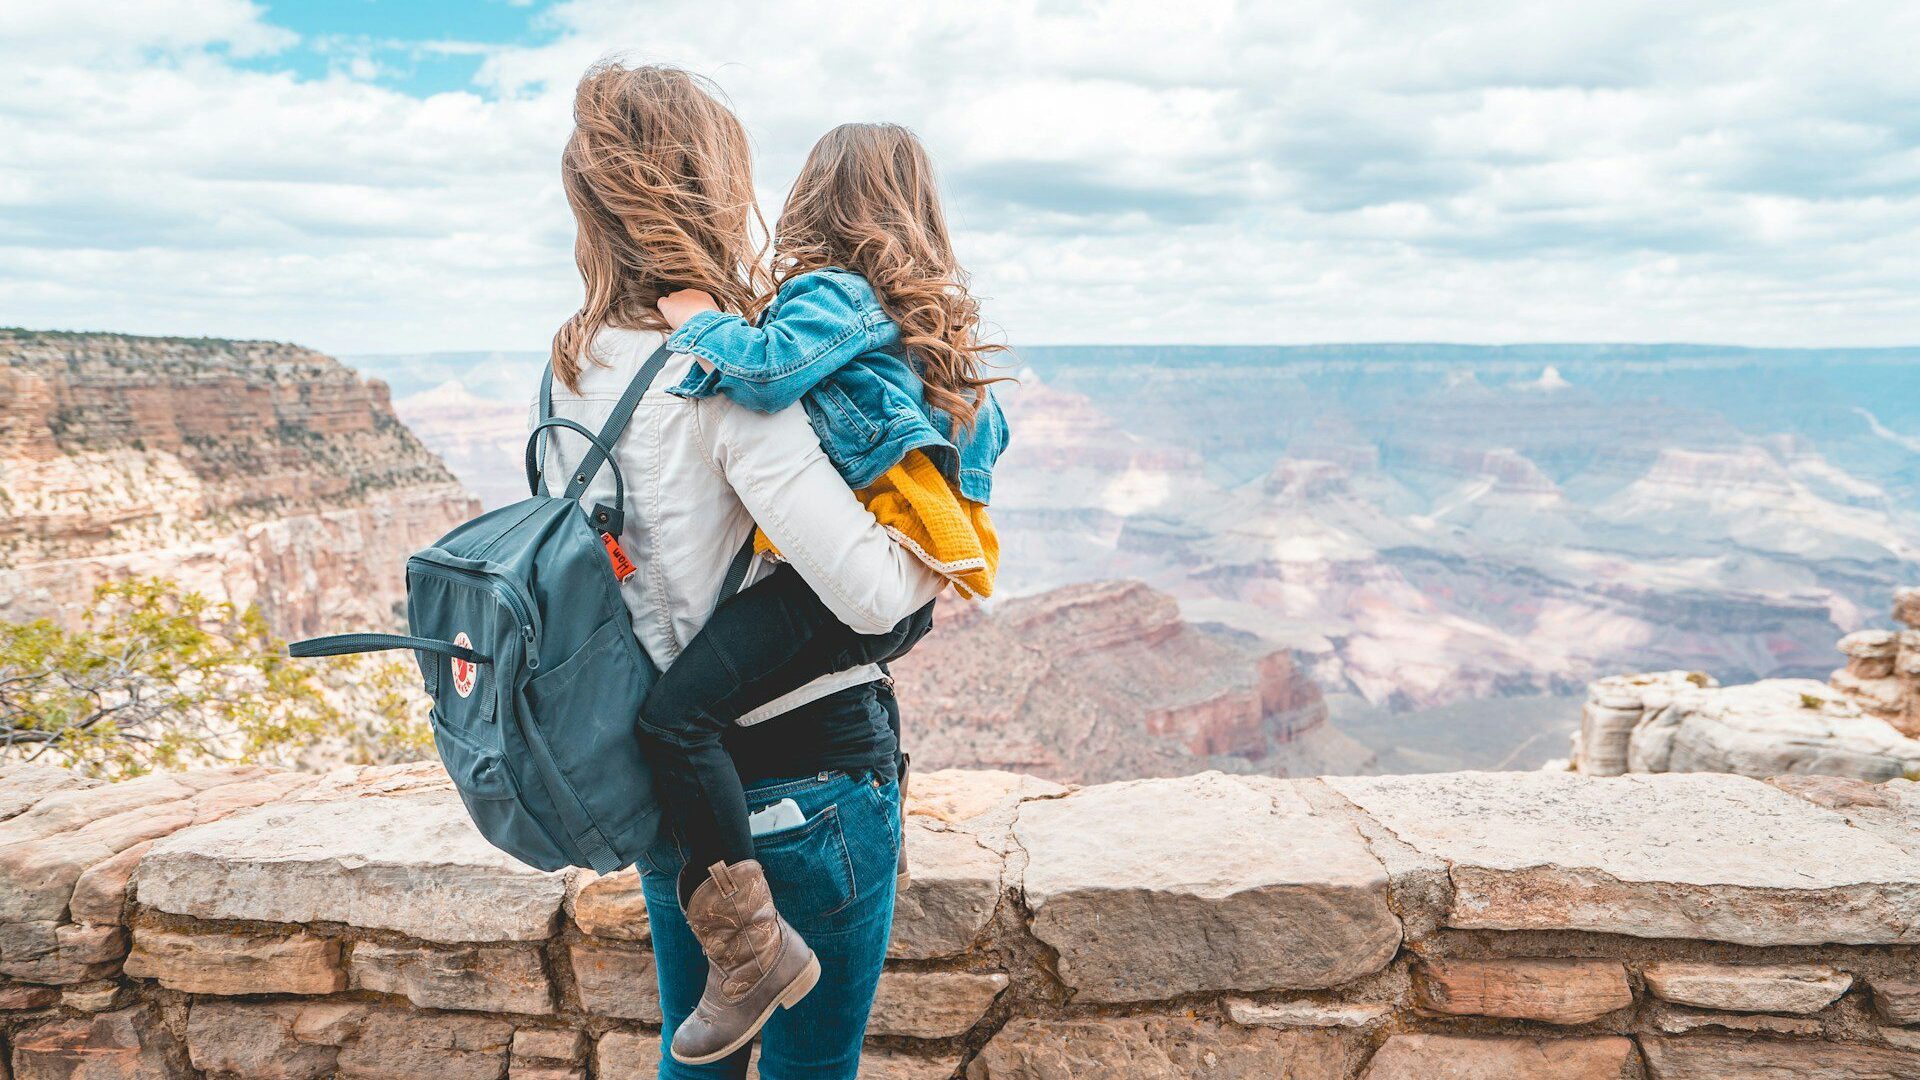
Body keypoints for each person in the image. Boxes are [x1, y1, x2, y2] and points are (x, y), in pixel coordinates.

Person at [538, 64, 945, 1079]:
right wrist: (934, 565)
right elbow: (875, 594)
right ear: (717, 188)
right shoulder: (728, 375)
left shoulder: (570, 364)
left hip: (677, 798)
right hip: (807, 782)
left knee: (700, 1064)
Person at [641, 121, 1009, 1065]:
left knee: (675, 716)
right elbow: (977, 460)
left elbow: (762, 374)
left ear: (814, 200)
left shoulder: (831, 296)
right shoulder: (937, 340)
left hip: (826, 601)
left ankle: (755, 950)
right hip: (874, 656)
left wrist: (696, 321)